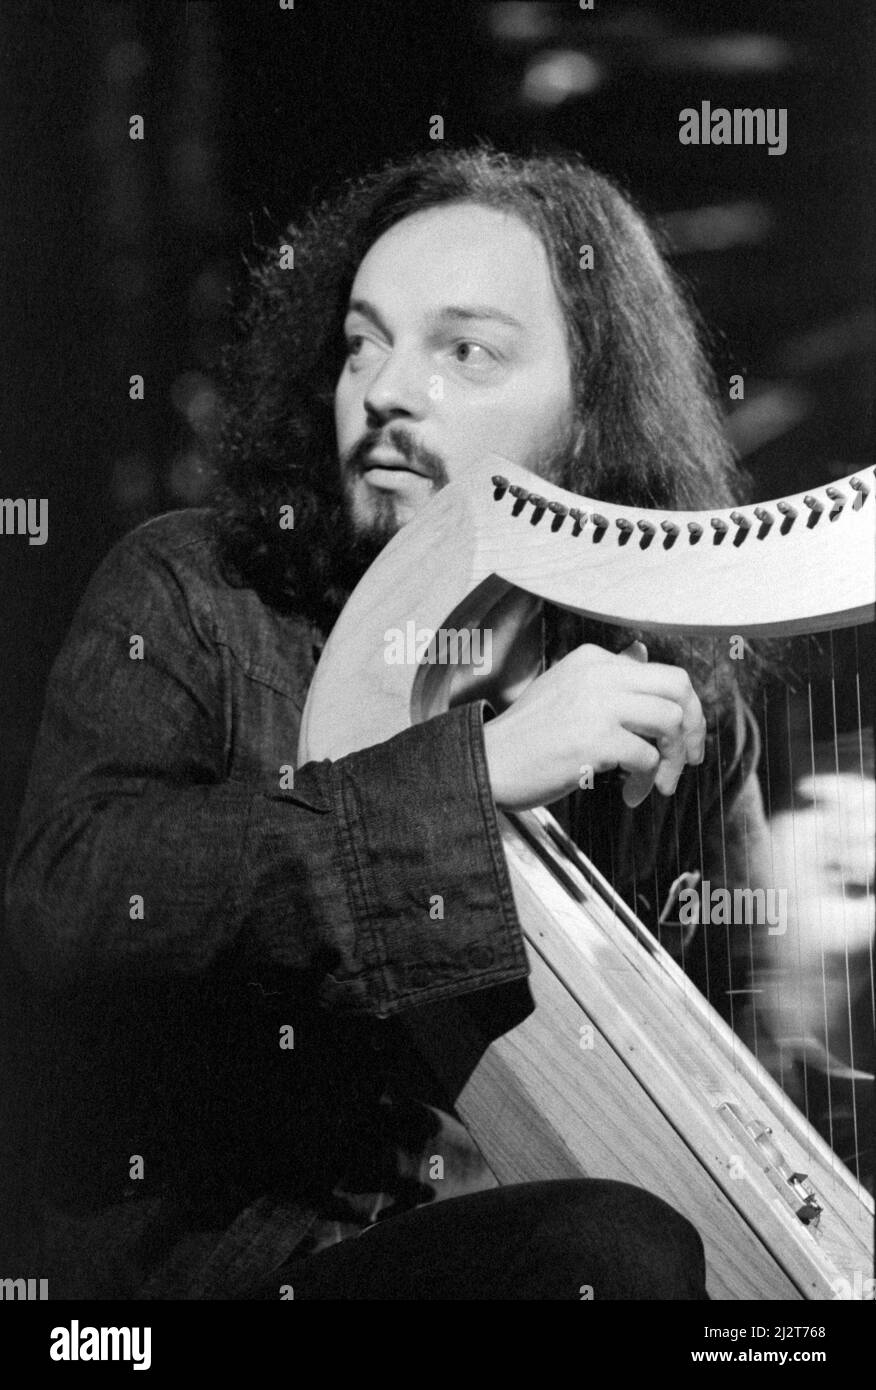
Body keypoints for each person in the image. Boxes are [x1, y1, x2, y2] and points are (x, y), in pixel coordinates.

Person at [4, 147, 766, 1300]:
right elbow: (73, 901)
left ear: (593, 407)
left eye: (463, 350)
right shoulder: (194, 593)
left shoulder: (671, 704)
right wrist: (476, 773)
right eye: (363, 342)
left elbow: (742, 1068)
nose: (386, 390)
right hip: (226, 1282)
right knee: (608, 1256)